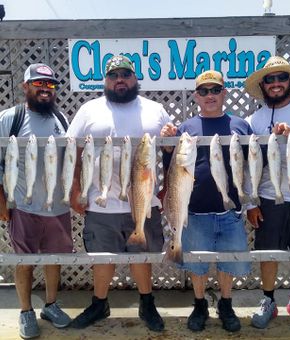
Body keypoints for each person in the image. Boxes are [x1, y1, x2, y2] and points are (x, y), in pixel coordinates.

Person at [68, 55, 171, 332]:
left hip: (143, 201)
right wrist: (75, 188)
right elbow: (73, 150)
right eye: (114, 75)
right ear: (106, 80)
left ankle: (147, 304)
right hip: (101, 204)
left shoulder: (155, 110)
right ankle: (99, 303)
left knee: (142, 257)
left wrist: (168, 187)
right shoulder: (89, 110)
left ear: (135, 78)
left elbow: (171, 150)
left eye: (126, 74)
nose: (120, 80)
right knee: (102, 259)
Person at [161, 70, 251, 332]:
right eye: (203, 91)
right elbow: (172, 168)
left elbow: (254, 164)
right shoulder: (185, 128)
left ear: (224, 93)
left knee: (228, 261)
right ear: (195, 97)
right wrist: (168, 146)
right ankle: (199, 303)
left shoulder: (241, 125)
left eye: (214, 90)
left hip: (230, 210)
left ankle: (226, 303)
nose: (209, 96)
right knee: (196, 263)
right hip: (195, 211)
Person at [0, 63, 72, 339]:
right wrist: (1, 200)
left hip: (58, 207)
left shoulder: (62, 119)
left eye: (50, 85)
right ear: (26, 86)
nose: (45, 89)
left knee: (53, 260)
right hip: (23, 206)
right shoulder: (10, 118)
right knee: (25, 261)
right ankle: (26, 311)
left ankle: (51, 305)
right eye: (39, 84)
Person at [245, 56, 290, 330]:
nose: (275, 83)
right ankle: (268, 300)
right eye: (269, 79)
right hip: (269, 198)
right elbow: (247, 167)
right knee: (268, 252)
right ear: (263, 85)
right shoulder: (254, 120)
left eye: (281, 77)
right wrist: (251, 201)